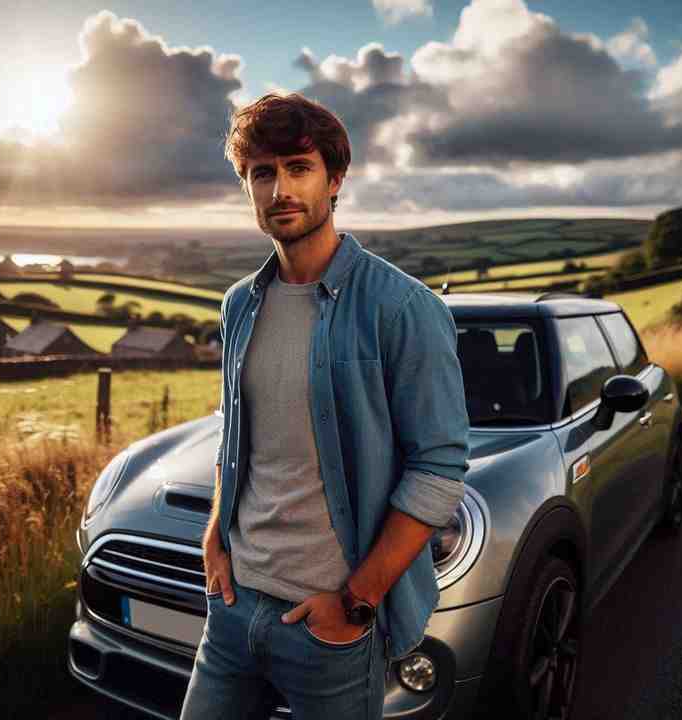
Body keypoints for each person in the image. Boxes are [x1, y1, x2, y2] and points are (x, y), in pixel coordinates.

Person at [179, 92, 470, 720]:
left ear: (334, 179)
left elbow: (439, 466)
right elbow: (239, 437)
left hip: (330, 627)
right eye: (262, 172)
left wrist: (356, 601)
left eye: (298, 167)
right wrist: (213, 539)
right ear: (248, 188)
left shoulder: (403, 308)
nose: (279, 188)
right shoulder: (239, 304)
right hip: (232, 610)